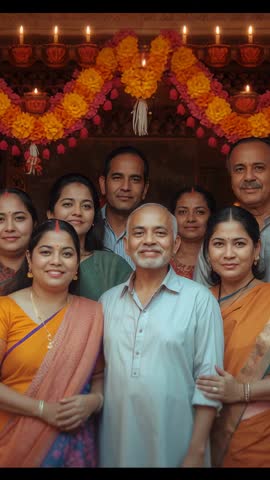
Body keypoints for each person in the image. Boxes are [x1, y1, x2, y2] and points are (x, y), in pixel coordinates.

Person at [99, 203, 224, 467]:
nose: (149, 241)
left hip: (178, 444)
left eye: (160, 233)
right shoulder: (107, 302)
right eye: (139, 233)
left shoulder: (199, 300)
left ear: (175, 243)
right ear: (127, 245)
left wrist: (197, 450)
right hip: (115, 442)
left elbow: (209, 383)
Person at [0, 219, 104, 467]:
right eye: (46, 252)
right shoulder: (5, 310)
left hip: (72, 444)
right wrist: (42, 409)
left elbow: (99, 375)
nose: (56, 260)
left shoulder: (93, 314)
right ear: (30, 258)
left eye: (67, 253)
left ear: (77, 264)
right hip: (12, 442)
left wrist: (95, 401)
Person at [196, 206, 270, 467]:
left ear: (256, 249)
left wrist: (241, 391)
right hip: (196, 439)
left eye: (239, 243)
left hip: (257, 443)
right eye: (218, 244)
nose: (228, 254)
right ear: (207, 250)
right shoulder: (193, 301)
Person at [194, 137, 270, 285]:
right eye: (239, 169)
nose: (248, 177)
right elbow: (200, 298)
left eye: (259, 168)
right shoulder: (218, 230)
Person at [47, 173, 132, 301]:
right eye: (67, 204)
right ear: (51, 214)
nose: (77, 212)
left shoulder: (113, 266)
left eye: (86, 206)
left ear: (94, 216)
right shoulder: (37, 262)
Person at [98, 145, 150, 268]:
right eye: (117, 178)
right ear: (103, 184)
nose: (126, 187)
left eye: (135, 179)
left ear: (145, 188)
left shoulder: (158, 233)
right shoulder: (87, 226)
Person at [170, 185, 216, 279]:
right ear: (172, 217)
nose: (191, 219)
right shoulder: (160, 258)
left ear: (211, 216)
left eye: (200, 212)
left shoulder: (221, 259)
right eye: (182, 212)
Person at [0, 187, 38, 295]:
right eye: (0, 219)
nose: (10, 228)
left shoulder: (49, 267)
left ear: (34, 223)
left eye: (19, 218)